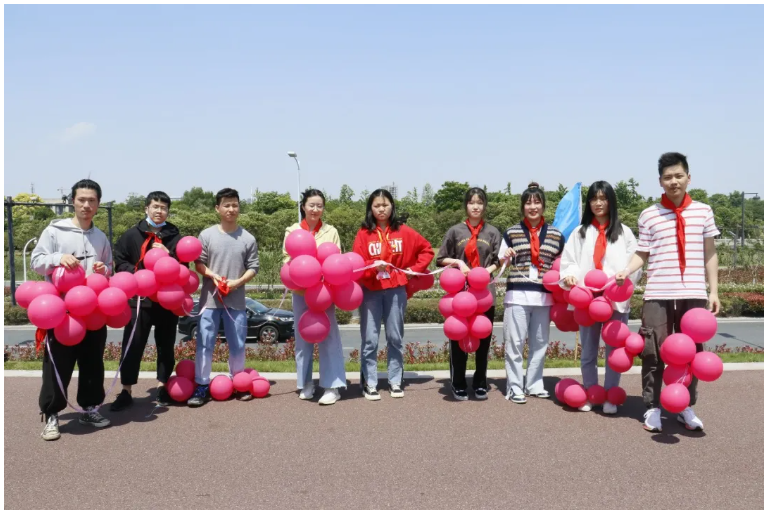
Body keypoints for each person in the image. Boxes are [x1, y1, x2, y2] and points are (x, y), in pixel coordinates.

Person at [616, 152, 720, 432]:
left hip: (694, 292)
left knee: (691, 352)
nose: (673, 181)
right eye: (668, 177)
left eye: (678, 176)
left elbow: (710, 253)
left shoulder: (703, 211)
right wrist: (626, 270)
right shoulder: (649, 214)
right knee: (653, 350)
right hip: (658, 293)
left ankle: (685, 405)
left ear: (689, 178)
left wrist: (714, 291)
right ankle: (652, 407)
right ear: (660, 181)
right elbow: (643, 252)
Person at [31, 179, 113, 441]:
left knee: (93, 363)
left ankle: (90, 408)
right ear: (72, 202)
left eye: (92, 201)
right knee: (57, 365)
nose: (86, 205)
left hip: (92, 311)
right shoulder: (55, 231)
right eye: (81, 200)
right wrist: (58, 258)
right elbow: (36, 261)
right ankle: (52, 413)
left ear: (98, 204)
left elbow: (110, 267)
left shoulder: (100, 237)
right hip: (61, 312)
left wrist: (104, 269)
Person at [560, 181, 640, 414]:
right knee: (588, 351)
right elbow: (569, 261)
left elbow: (635, 264)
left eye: (603, 198)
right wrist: (570, 276)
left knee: (614, 351)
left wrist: (624, 278)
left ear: (611, 201)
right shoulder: (580, 232)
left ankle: (611, 396)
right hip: (588, 301)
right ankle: (591, 392)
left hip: (614, 299)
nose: (598, 203)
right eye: (594, 198)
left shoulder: (624, 233)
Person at [352, 189, 434, 400]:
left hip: (396, 289)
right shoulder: (363, 233)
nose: (381, 209)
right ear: (370, 208)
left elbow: (427, 250)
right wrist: (372, 266)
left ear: (392, 206)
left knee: (395, 337)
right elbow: (357, 262)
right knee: (370, 339)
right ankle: (370, 383)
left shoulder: (404, 231)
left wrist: (412, 270)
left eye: (385, 205)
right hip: (371, 290)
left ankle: (395, 380)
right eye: (377, 205)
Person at [110, 191, 183, 411]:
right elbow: (119, 261)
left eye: (164, 208)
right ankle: (126, 390)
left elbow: (183, 265)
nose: (159, 211)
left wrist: (169, 254)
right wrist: (138, 275)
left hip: (167, 299)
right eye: (155, 207)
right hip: (139, 299)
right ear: (146, 208)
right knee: (132, 344)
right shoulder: (131, 235)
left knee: (166, 344)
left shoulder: (175, 236)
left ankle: (162, 386)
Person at [188, 188, 260, 407]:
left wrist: (237, 282)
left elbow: (253, 267)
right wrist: (212, 275)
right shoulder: (207, 235)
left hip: (236, 302)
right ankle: (202, 385)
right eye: (226, 205)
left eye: (235, 205)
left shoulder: (247, 238)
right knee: (205, 343)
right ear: (217, 208)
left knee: (237, 344)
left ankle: (239, 383)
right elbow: (198, 263)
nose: (231, 209)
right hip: (209, 301)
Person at [499, 182, 564, 404]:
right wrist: (506, 255)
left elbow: (562, 263)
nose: (533, 207)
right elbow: (502, 262)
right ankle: (515, 387)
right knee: (515, 343)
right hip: (517, 295)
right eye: (528, 203)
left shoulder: (556, 235)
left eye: (537, 202)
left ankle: (534, 384)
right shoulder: (511, 232)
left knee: (540, 343)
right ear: (523, 207)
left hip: (544, 297)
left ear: (544, 206)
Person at [436, 187, 502, 400]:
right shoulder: (455, 231)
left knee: (483, 340)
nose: (475, 206)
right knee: (458, 339)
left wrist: (483, 273)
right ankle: (458, 382)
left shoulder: (492, 232)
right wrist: (458, 262)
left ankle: (481, 382)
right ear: (466, 205)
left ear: (485, 206)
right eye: (472, 202)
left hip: (484, 296)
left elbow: (498, 260)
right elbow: (440, 259)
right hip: (460, 296)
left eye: (480, 202)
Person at [282, 189, 346, 405]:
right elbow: (286, 259)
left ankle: (333, 386)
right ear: (303, 206)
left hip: (324, 293)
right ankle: (305, 383)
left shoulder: (331, 231)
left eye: (319, 206)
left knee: (330, 338)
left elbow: (336, 260)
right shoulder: (292, 230)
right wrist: (303, 274)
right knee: (303, 339)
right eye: (311, 205)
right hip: (300, 292)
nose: (315, 209)